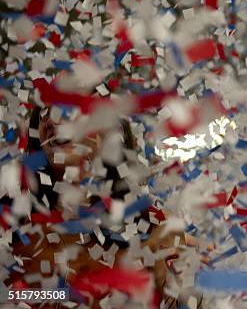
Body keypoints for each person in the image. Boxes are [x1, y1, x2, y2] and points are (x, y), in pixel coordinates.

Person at [4, 102, 187, 307]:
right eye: (45, 111)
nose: (53, 120)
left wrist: (174, 289)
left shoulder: (157, 224)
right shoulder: (11, 222)